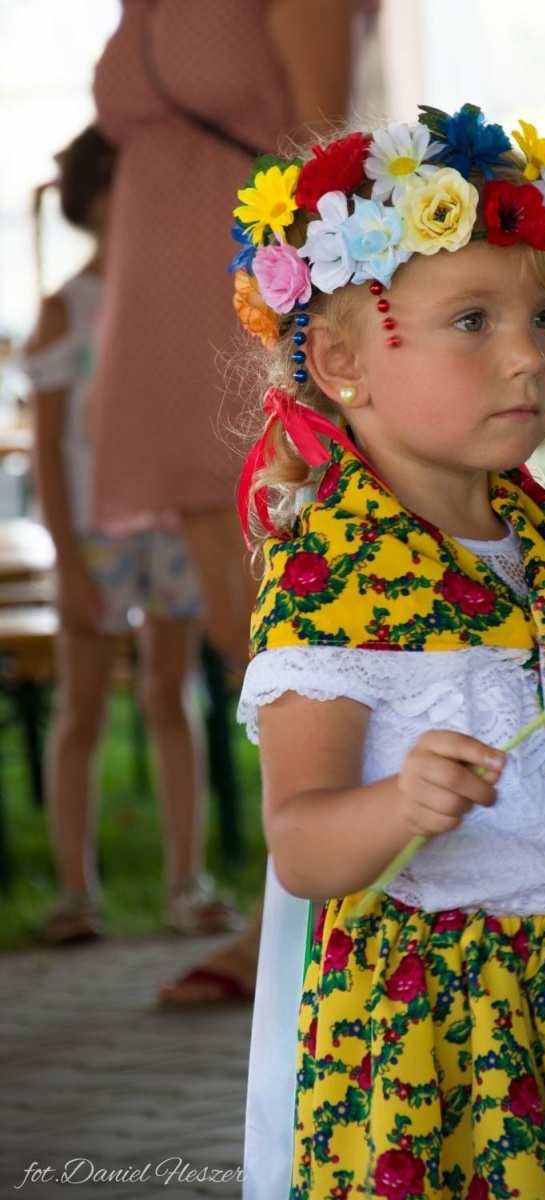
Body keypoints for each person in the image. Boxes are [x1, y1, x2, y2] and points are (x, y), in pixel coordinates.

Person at [233, 105, 545, 1197]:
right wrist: (398, 803)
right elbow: (302, 849)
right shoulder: (336, 573)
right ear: (342, 359)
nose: (526, 356)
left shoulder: (539, 534)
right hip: (441, 1036)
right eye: (472, 319)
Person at [89, 0, 371, 1003]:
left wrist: (310, 343)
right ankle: (297, 902)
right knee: (236, 633)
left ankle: (301, 920)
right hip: (155, 316)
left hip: (247, 315)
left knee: (298, 614)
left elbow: (328, 151)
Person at [21, 125, 239, 944]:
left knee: (169, 695)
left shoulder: (175, 303)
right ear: (98, 196)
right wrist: (67, 558)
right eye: (124, 181)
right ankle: (75, 892)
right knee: (79, 708)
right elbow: (46, 445)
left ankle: (189, 881)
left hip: (174, 522)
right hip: (91, 534)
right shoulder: (63, 310)